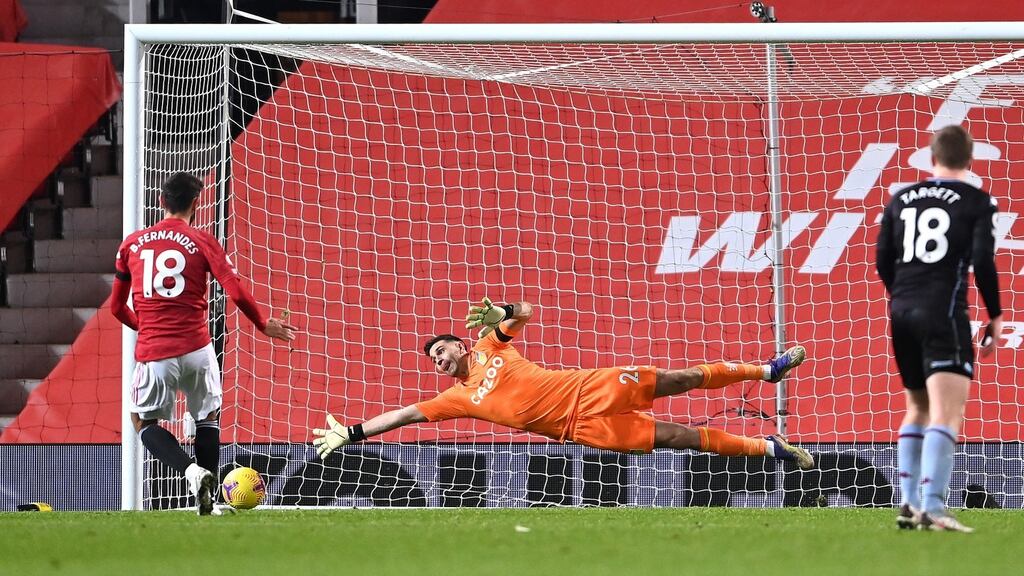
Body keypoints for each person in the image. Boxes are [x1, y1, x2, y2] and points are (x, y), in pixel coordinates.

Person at [312, 297, 814, 472]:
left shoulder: (491, 344)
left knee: (678, 380)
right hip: (581, 430)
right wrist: (352, 432)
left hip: (589, 388)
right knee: (678, 437)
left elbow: (527, 311)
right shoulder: (453, 399)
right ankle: (770, 448)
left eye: (441, 350)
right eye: (432, 360)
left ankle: (765, 370)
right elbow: (400, 416)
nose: (438, 360)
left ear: (462, 344)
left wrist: (501, 314)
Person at [110, 172, 296, 515]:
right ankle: (208, 503)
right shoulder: (202, 240)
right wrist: (262, 323)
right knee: (207, 419)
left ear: (162, 201)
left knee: (143, 423)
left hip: (155, 353)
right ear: (197, 203)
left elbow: (115, 307)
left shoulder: (132, 244)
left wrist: (146, 326)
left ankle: (191, 473)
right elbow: (235, 289)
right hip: (197, 348)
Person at [876, 125, 1002, 532]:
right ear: (969, 160)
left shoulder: (902, 198)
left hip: (901, 309)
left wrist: (903, 294)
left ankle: (909, 502)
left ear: (932, 159)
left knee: (916, 407)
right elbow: (982, 260)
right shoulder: (976, 200)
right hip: (942, 313)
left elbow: (883, 257)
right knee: (947, 413)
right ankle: (932, 506)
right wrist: (995, 316)